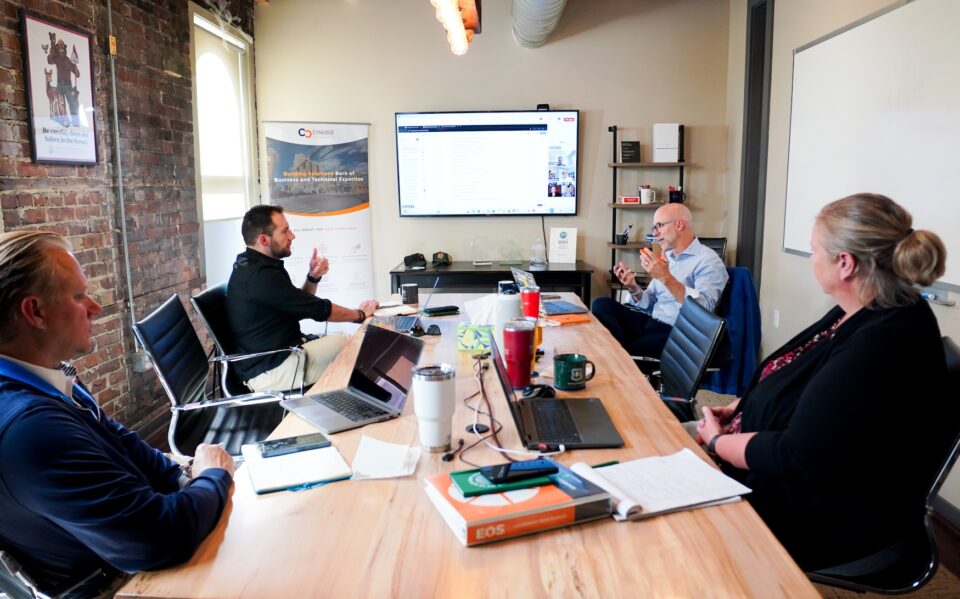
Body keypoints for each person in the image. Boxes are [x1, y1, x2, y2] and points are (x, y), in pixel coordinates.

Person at [695, 193, 953, 573]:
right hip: (794, 481)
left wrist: (718, 442)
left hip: (830, 522)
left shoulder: (885, 339)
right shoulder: (864, 307)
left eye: (815, 250)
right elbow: (807, 385)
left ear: (845, 263)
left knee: (672, 530)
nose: (811, 259)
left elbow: (796, 455)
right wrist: (741, 407)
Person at [0, 231, 235, 597]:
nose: (95, 308)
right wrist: (213, 476)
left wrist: (182, 477)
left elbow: (118, 439)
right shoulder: (30, 428)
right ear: (36, 311)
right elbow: (158, 539)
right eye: (79, 296)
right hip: (125, 584)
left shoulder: (49, 375)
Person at [227, 205, 379, 392]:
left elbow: (297, 305)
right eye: (284, 231)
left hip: (280, 355)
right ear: (264, 239)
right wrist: (361, 314)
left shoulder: (257, 266)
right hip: (270, 369)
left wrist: (312, 277)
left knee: (349, 344)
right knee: (353, 345)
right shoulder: (260, 277)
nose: (292, 236)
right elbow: (320, 310)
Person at [592, 203, 728, 357]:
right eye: (654, 228)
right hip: (651, 322)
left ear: (680, 224)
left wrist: (666, 277)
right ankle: (618, 355)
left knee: (625, 350)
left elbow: (704, 310)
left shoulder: (708, 261)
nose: (655, 233)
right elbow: (649, 304)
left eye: (659, 226)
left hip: (678, 333)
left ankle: (619, 357)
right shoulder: (668, 256)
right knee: (601, 303)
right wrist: (633, 287)